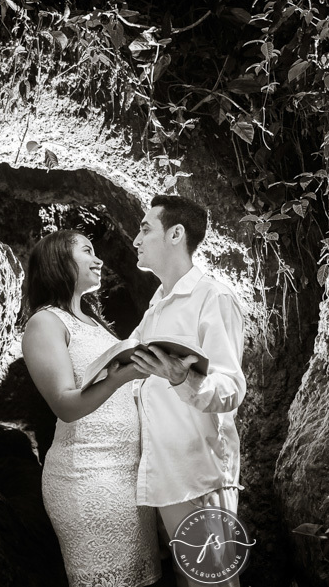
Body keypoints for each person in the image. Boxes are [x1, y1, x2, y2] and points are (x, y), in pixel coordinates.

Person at [21, 230, 161, 587]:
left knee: (142, 580)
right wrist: (122, 376)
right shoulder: (45, 323)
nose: (99, 260)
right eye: (87, 251)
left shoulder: (95, 322)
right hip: (86, 475)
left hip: (129, 475)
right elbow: (65, 405)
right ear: (58, 261)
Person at [128, 195, 247, 587]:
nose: (135, 239)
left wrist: (184, 379)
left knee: (212, 583)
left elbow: (230, 388)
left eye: (145, 228)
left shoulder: (213, 297)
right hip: (163, 472)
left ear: (176, 234)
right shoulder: (155, 306)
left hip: (200, 473)